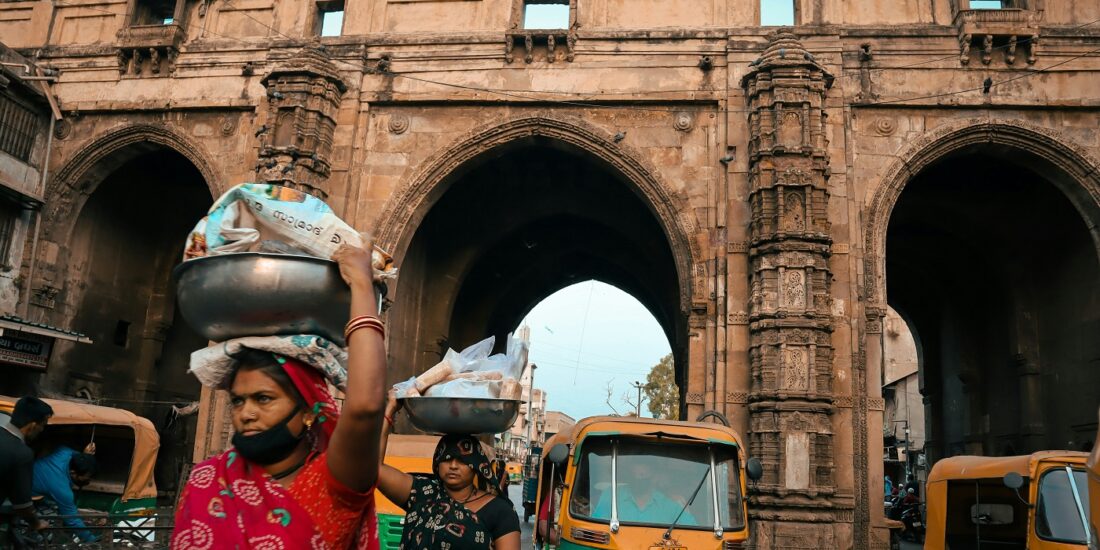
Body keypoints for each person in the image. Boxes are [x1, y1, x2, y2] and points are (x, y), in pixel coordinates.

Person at [171, 243, 387, 549]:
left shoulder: (330, 483)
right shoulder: (208, 480)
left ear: (309, 410)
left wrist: (362, 283)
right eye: (237, 400)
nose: (246, 414)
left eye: (263, 399)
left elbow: (365, 407)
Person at [377, 394, 521, 549]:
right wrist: (390, 409)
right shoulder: (422, 493)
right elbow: (375, 469)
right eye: (446, 459)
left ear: (477, 467)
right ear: (437, 464)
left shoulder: (500, 511)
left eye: (463, 460)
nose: (453, 465)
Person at [1, 396, 52, 545]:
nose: (41, 430)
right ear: (32, 425)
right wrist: (36, 523)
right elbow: (22, 504)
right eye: (42, 425)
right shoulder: (21, 453)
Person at [592, 459, 696, 525]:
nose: (640, 475)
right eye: (635, 476)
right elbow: (597, 527)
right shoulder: (612, 495)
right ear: (629, 472)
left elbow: (695, 535)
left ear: (654, 473)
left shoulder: (671, 503)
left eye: (644, 476)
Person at [32, 445, 98, 543]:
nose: (89, 480)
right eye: (86, 477)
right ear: (73, 473)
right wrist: (92, 540)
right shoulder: (62, 490)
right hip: (23, 496)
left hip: (32, 479)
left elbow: (71, 453)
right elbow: (72, 520)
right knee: (48, 528)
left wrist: (84, 456)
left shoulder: (64, 453)